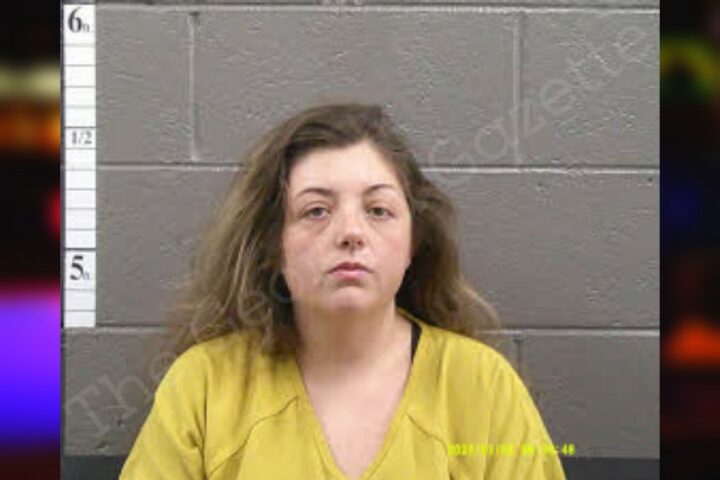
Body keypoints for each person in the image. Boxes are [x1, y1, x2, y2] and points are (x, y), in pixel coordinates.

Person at [119, 103, 567, 479]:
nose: (351, 232)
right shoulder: (204, 386)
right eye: (316, 211)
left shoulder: (483, 386)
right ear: (273, 246)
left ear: (413, 242)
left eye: (378, 210)